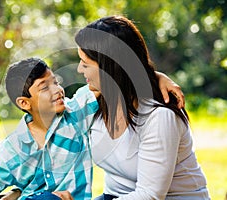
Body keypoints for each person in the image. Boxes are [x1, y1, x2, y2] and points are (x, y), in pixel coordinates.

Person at [74, 15, 210, 199]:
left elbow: (150, 195)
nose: (79, 70)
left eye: (85, 64)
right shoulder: (95, 98)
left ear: (111, 68)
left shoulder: (159, 117)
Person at [0, 58, 99, 200]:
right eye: (44, 87)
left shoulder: (75, 113)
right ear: (25, 103)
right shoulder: (16, 145)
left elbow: (103, 82)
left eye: (55, 82)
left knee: (49, 198)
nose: (57, 90)